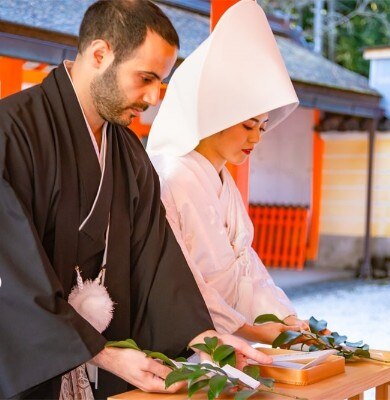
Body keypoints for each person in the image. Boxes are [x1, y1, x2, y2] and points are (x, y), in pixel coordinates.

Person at [0, 1, 271, 399]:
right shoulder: (10, 131)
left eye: (160, 81)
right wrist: (101, 353)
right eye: (145, 78)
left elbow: (155, 256)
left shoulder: (127, 152)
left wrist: (204, 338)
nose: (154, 96)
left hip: (106, 363)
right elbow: (12, 275)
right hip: (26, 367)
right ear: (99, 54)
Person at [147, 0, 309, 345]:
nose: (256, 138)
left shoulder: (222, 179)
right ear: (214, 117)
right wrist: (247, 329)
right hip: (186, 336)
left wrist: (286, 317)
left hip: (233, 333)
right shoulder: (172, 177)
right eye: (248, 125)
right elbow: (182, 278)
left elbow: (245, 265)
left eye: (262, 127)